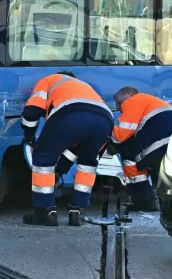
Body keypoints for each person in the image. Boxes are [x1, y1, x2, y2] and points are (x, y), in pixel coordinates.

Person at [20, 71, 113, 226]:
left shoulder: (49, 79)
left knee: (43, 158)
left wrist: (29, 136)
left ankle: (45, 211)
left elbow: (32, 111)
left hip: (69, 114)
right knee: (88, 165)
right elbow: (74, 150)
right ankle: (77, 211)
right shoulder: (84, 86)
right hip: (104, 121)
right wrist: (59, 171)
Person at [108, 87, 172, 212]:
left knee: (128, 153)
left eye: (119, 102)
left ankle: (144, 200)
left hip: (161, 141)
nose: (118, 107)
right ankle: (148, 200)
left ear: (130, 94)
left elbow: (120, 135)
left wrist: (105, 133)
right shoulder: (149, 101)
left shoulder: (134, 100)